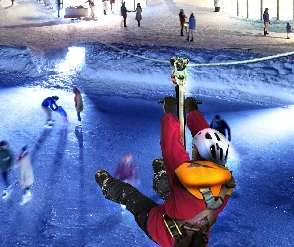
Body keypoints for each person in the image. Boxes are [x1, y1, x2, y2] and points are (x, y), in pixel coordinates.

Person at [94, 96, 234, 247]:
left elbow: (172, 149)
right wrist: (191, 112)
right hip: (184, 213)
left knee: (132, 197)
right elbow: (208, 142)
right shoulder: (223, 183)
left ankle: (108, 184)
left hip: (159, 228)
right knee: (175, 194)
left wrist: (170, 112)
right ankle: (161, 176)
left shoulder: (193, 177)